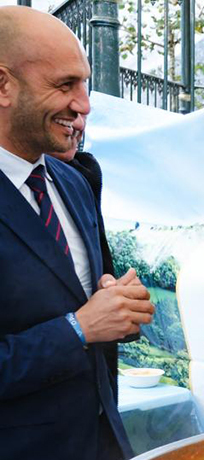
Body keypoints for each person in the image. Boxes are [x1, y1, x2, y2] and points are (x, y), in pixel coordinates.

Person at [0, 6, 153, 460]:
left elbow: (89, 299)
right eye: (64, 85)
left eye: (85, 84)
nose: (84, 104)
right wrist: (78, 328)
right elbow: (77, 323)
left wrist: (120, 307)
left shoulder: (70, 181)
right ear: (4, 84)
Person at [53, 117, 122, 400]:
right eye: (64, 86)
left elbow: (100, 266)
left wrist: (115, 295)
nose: (81, 112)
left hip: (93, 402)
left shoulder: (81, 177)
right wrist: (78, 328)